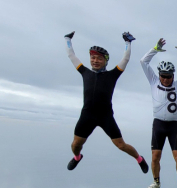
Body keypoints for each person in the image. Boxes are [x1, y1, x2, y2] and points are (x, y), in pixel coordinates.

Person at [63, 31, 148, 173]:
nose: (95, 61)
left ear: (105, 61)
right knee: (76, 144)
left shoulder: (112, 75)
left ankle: (139, 159)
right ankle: (77, 157)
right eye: (93, 58)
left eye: (99, 59)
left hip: (105, 117)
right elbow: (71, 55)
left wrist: (128, 43)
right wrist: (67, 40)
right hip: (87, 116)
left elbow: (125, 59)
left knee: (121, 145)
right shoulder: (85, 72)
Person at [140, 38, 177, 188]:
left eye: (168, 76)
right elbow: (143, 62)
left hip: (173, 125)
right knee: (155, 156)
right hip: (158, 124)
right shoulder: (153, 81)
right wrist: (155, 49)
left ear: (172, 76)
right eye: (163, 75)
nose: (165, 79)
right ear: (159, 75)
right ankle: (156, 182)